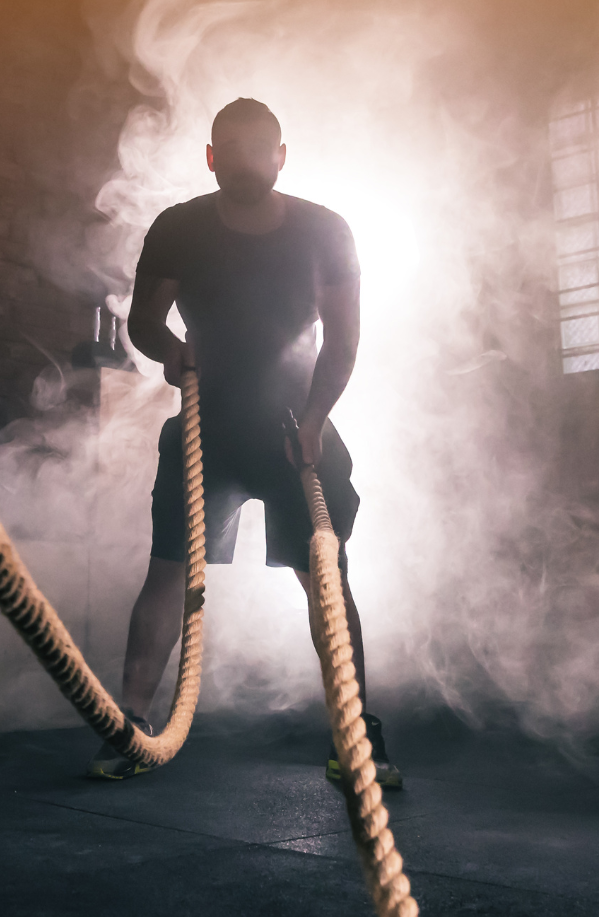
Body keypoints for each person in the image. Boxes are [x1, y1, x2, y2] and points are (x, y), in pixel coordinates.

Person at [88, 97, 402, 789]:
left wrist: (317, 420)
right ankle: (132, 723)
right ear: (210, 157)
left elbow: (345, 341)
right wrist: (175, 355)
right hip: (207, 425)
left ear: (280, 155)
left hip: (297, 426)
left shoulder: (325, 231)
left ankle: (356, 734)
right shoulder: (180, 228)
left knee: (325, 578)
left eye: (258, 146)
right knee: (169, 572)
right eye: (229, 147)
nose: (243, 158)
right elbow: (144, 321)